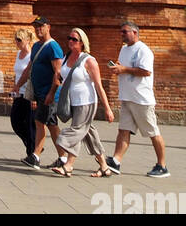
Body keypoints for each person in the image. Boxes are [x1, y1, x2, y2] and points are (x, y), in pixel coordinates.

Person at [105, 20, 169, 177]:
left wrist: (124, 69)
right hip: (127, 96)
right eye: (121, 32)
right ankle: (116, 161)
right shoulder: (124, 49)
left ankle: (162, 166)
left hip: (142, 99)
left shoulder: (143, 50)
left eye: (124, 32)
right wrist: (118, 68)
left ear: (135, 32)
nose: (122, 34)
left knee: (152, 132)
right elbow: (124, 66)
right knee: (124, 130)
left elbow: (146, 71)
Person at [50, 28, 114, 178]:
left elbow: (98, 86)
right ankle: (104, 167)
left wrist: (108, 109)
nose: (70, 41)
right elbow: (61, 77)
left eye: (74, 39)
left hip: (87, 102)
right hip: (73, 102)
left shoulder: (89, 61)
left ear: (82, 43)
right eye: (69, 38)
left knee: (77, 130)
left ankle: (68, 166)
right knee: (88, 132)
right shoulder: (67, 57)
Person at [28, 15, 63, 164]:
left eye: (41, 26)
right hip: (39, 92)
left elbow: (58, 73)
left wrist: (51, 93)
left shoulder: (53, 47)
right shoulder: (36, 46)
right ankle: (62, 157)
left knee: (47, 123)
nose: (38, 29)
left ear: (48, 27)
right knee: (45, 123)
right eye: (36, 26)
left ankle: (36, 156)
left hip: (49, 94)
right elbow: (30, 68)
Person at [10, 27, 38, 166]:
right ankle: (34, 147)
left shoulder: (32, 56)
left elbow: (32, 76)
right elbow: (17, 74)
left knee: (30, 124)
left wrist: (34, 97)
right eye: (16, 39)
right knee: (15, 122)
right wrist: (15, 88)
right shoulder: (18, 54)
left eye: (19, 39)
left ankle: (32, 154)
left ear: (27, 40)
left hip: (29, 93)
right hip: (19, 93)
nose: (17, 42)